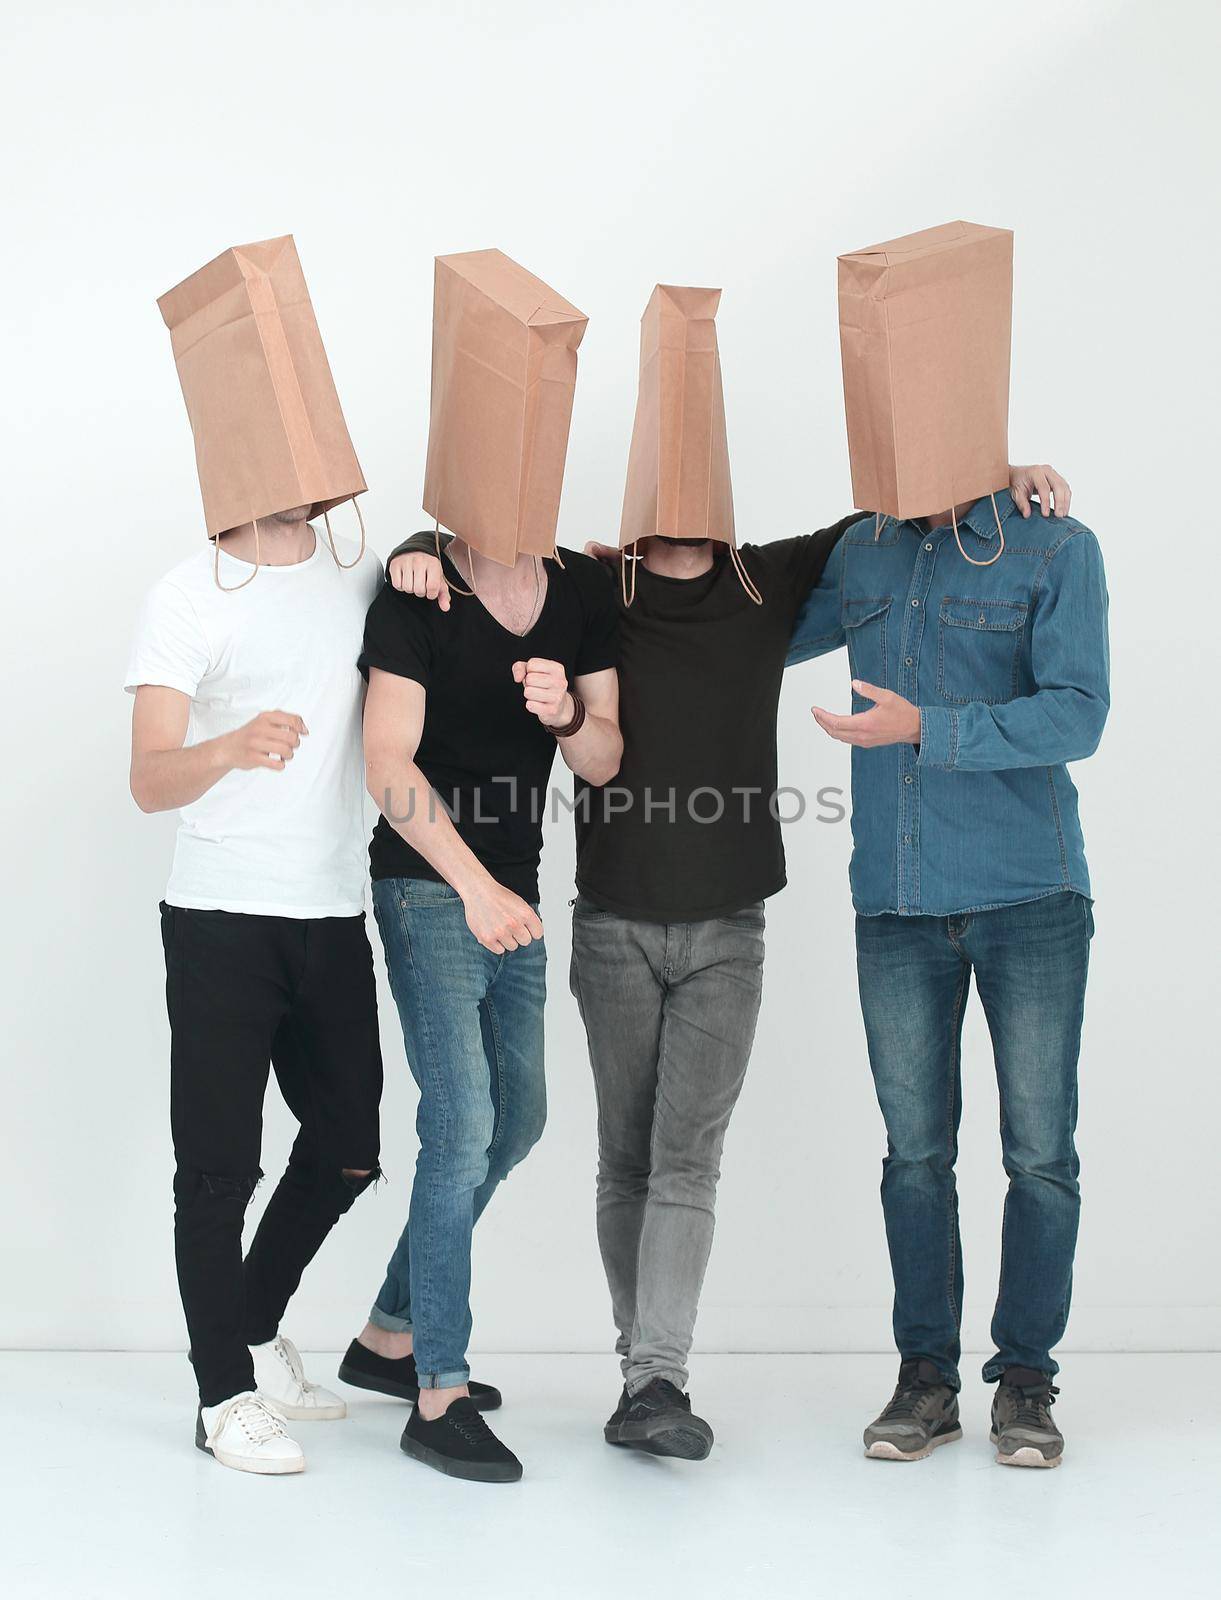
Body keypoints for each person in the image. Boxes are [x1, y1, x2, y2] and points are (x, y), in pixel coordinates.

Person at [387, 463, 1068, 1463]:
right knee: (627, 1157)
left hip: (729, 932)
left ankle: (657, 1375)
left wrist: (997, 478)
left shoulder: (770, 580)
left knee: (687, 1158)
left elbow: (903, 514)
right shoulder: (593, 589)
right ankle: (641, 1374)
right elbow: (492, 574)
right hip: (613, 922)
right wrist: (411, 552)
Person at [789, 475, 1107, 1469]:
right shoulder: (865, 551)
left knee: (1039, 1154)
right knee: (915, 1155)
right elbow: (748, 633)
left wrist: (930, 728)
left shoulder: (1054, 545)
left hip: (1031, 897)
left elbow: (1078, 717)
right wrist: (629, 580)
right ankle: (925, 1379)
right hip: (896, 900)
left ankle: (1025, 1378)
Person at [338, 529, 621, 1483]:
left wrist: (566, 712)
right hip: (430, 890)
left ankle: (386, 1337)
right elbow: (387, 765)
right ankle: (437, 1393)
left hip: (515, 892)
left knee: (519, 1117)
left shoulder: (578, 589)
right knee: (460, 1127)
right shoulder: (417, 590)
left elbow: (603, 761)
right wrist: (473, 889)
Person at [127, 502, 384, 1475]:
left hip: (330, 909)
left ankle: (255, 1328)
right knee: (219, 1169)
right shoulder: (187, 594)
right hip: (218, 916)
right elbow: (149, 779)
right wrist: (229, 745)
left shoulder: (361, 574)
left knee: (350, 1148)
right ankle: (221, 1394)